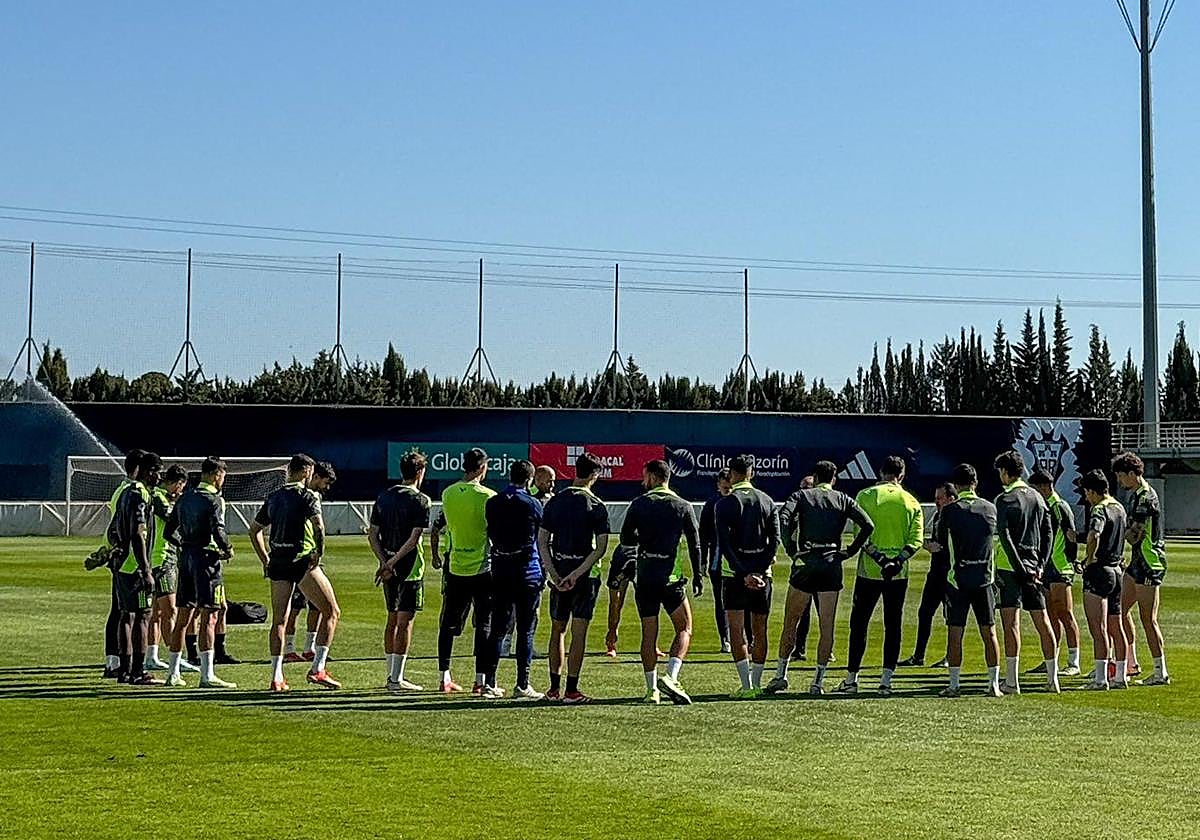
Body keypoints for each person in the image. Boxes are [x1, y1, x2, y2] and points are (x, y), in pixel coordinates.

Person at [768, 460, 873, 695]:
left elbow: (783, 518)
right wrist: (850, 551)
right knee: (827, 626)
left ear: (815, 477)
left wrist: (792, 549)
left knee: (791, 620)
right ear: (833, 478)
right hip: (831, 563)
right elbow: (867, 524)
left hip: (806, 562)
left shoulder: (802, 496)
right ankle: (817, 681)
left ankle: (781, 674)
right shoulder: (843, 498)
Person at [249, 454, 340, 692]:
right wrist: (318, 554)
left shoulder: (274, 496)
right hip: (301, 561)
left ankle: (277, 676)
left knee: (279, 620)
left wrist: (265, 559)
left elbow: (254, 530)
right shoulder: (308, 496)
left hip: (278, 561)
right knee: (331, 611)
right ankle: (318, 668)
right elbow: (319, 526)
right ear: (306, 471)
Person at [838, 455, 923, 696]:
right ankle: (886, 680)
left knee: (859, 624)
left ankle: (852, 679)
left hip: (870, 571)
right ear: (902, 475)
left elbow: (860, 533)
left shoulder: (866, 496)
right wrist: (897, 560)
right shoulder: (911, 501)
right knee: (893, 624)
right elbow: (915, 540)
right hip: (897, 574)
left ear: (880, 471)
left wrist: (880, 558)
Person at [620, 458, 702, 704]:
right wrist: (698, 575)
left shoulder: (638, 504)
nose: (642, 481)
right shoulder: (683, 505)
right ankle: (672, 676)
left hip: (645, 575)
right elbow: (695, 543)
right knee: (685, 627)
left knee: (649, 634)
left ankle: (651, 690)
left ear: (655, 477)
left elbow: (625, 539)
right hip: (671, 576)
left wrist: (644, 541)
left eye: (645, 477)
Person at [538, 451, 610, 703]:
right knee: (579, 631)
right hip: (584, 577)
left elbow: (542, 541)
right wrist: (576, 574)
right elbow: (600, 548)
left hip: (560, 571)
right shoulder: (597, 506)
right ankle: (571, 689)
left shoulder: (555, 502)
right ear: (594, 475)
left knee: (557, 629)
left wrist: (555, 574)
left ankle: (553, 688)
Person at [163, 456, 236, 688]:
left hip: (185, 559)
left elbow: (168, 532)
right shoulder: (212, 499)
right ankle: (207, 674)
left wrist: (185, 544)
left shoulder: (184, 498)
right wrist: (227, 549)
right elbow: (218, 529)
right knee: (210, 615)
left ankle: (173, 673)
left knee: (183, 617)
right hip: (207, 561)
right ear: (217, 475)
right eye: (223, 475)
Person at [992, 450, 1060, 694]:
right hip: (1034, 567)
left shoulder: (1004, 499)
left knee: (1011, 624)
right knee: (1043, 621)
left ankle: (1012, 681)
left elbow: (1005, 535)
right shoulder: (1038, 497)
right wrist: (1041, 562)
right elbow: (1049, 531)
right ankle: (1053, 679)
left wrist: (1019, 566)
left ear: (1004, 471)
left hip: (1011, 569)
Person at [934, 463, 1002, 698]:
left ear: (957, 485)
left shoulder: (950, 511)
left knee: (955, 632)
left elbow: (940, 542)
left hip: (958, 579)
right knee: (989, 632)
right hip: (985, 578)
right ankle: (993, 683)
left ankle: (954, 684)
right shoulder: (991, 508)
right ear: (975, 483)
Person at [715, 455, 779, 699]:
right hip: (763, 576)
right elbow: (775, 542)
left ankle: (746, 685)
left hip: (734, 576)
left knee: (737, 630)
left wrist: (743, 573)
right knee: (760, 629)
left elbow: (725, 543)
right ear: (751, 472)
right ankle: (757, 682)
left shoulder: (726, 503)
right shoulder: (767, 501)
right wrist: (759, 571)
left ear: (731, 473)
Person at [434, 447, 497, 696]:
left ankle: (444, 676)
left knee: (448, 622)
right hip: (482, 567)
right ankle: (480, 680)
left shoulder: (448, 493)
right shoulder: (488, 496)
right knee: (483, 623)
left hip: (455, 566)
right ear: (482, 467)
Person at [369, 450, 431, 693]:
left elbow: (373, 534)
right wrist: (393, 562)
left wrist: (384, 561)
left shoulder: (384, 497)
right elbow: (414, 538)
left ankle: (391, 674)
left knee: (392, 618)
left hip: (388, 566)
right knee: (405, 621)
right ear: (419, 472)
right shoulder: (421, 501)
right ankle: (396, 678)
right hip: (409, 567)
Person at [486, 459, 546, 699]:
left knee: (498, 628)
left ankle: (489, 682)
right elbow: (541, 538)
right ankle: (522, 684)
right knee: (526, 630)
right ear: (529, 479)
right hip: (527, 571)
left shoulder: (493, 503)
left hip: (501, 569)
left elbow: (491, 532)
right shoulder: (533, 504)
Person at [1112, 452, 1171, 686]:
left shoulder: (1146, 497)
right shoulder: (1136, 495)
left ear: (1131, 474)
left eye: (1120, 476)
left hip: (1148, 563)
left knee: (1148, 619)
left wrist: (1117, 535)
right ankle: (1129, 663)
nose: (1119, 481)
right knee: (1119, 610)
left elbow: (1135, 535)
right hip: (1137, 562)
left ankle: (1160, 671)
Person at [108, 451, 163, 685]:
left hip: (122, 564)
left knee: (125, 615)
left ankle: (124, 670)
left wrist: (116, 551)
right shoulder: (140, 494)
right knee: (143, 616)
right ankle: (138, 671)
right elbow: (138, 534)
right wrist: (146, 569)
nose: (159, 477)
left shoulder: (125, 493)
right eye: (157, 472)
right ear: (148, 471)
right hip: (135, 567)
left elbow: (113, 529)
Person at [93, 448, 144, 678]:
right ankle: (121, 664)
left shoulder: (120, 491)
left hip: (117, 555)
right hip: (127, 558)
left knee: (119, 611)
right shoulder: (132, 492)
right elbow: (126, 529)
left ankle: (113, 661)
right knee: (126, 612)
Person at [1029, 470, 1083, 677]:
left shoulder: (1059, 507)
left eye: (1035, 489)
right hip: (1047, 567)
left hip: (1061, 567)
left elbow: (1071, 536)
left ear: (1044, 487)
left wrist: (1070, 562)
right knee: (1050, 614)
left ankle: (1074, 661)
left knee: (1065, 614)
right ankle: (1051, 658)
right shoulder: (1044, 507)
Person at [1080, 469, 1129, 690]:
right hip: (1117, 571)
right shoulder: (1118, 507)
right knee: (1116, 627)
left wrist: (1089, 558)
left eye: (1086, 493)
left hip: (1099, 571)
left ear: (1091, 491)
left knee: (1098, 629)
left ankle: (1100, 678)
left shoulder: (1099, 509)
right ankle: (1120, 675)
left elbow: (1094, 535)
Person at [899, 482, 957, 668]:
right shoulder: (940, 515)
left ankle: (950, 657)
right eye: (936, 498)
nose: (937, 502)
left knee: (952, 617)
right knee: (924, 613)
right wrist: (927, 545)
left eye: (940, 498)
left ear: (951, 498)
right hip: (935, 574)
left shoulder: (957, 516)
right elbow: (934, 541)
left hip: (949, 574)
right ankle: (919, 656)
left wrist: (938, 549)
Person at [283, 461, 336, 662]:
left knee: (317, 606)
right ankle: (289, 648)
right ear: (313, 476)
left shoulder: (314, 496)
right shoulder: (300, 496)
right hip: (301, 556)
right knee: (295, 606)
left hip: (311, 555)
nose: (326, 487)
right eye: (325, 482)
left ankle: (309, 647)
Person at [143, 464, 188, 672]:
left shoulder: (157, 495)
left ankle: (151, 655)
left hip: (153, 559)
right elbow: (171, 519)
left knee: (156, 613)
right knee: (170, 611)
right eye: (181, 486)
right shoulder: (160, 497)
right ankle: (174, 658)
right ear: (177, 483)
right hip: (162, 559)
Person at [698, 468, 736, 654]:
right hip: (717, 559)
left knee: (740, 600)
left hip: (738, 560)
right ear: (718, 485)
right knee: (721, 600)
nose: (728, 488)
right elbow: (703, 535)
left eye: (730, 485)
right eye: (725, 486)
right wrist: (703, 561)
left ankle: (745, 638)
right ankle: (725, 639)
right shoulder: (711, 505)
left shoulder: (739, 502)